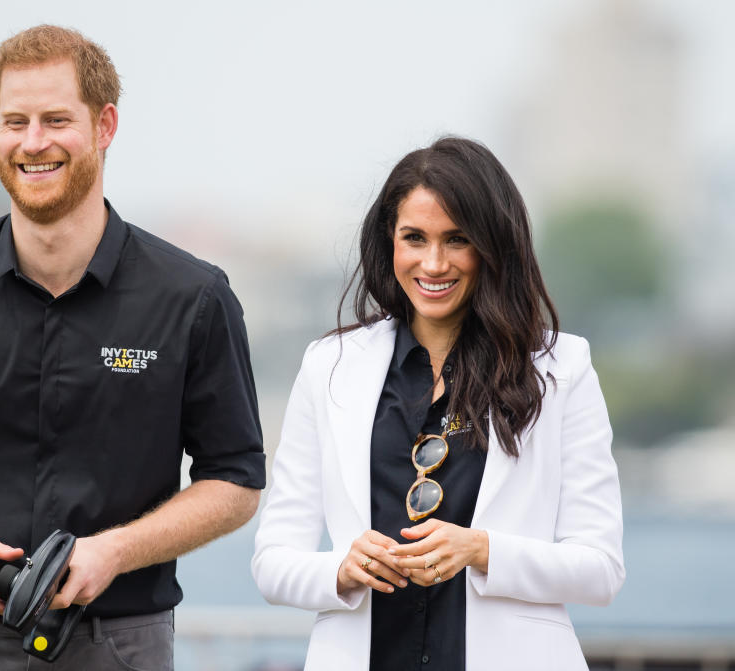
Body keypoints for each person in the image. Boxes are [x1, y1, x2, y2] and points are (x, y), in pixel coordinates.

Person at [0, 25, 265, 670]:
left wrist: (115, 551)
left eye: (56, 119)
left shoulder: (194, 297)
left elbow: (236, 480)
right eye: (15, 121)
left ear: (104, 126)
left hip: (121, 642)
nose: (33, 142)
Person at [251, 136, 624, 671]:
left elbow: (601, 569)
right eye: (415, 238)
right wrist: (342, 567)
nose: (433, 262)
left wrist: (481, 549)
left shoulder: (563, 368)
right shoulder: (328, 365)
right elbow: (271, 563)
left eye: (457, 240)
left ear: (494, 245)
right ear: (390, 243)